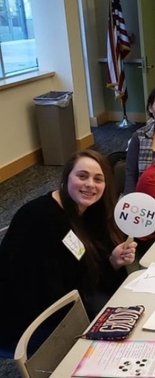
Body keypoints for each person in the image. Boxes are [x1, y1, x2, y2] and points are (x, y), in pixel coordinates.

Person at [0, 150, 137, 354]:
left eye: (98, 179)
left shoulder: (88, 212)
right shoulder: (39, 218)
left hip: (71, 298)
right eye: (82, 176)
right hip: (26, 320)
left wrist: (112, 262)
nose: (90, 184)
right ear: (66, 178)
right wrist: (88, 324)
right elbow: (42, 290)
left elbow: (82, 268)